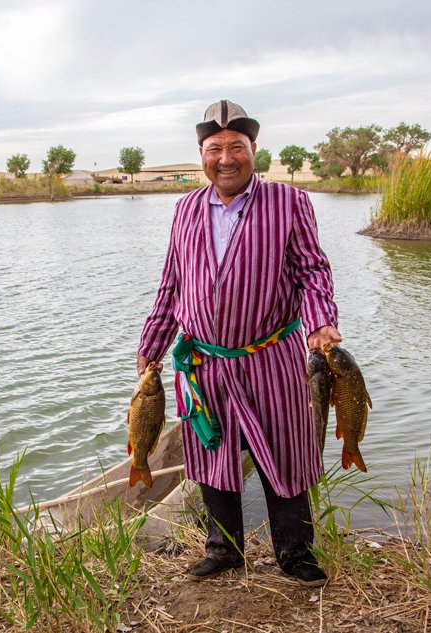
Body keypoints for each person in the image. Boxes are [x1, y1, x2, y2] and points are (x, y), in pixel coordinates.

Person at [137, 100, 341, 586]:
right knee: (212, 454)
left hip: (271, 356)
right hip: (204, 363)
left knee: (284, 453)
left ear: (253, 150)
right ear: (201, 155)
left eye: (236, 147)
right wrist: (153, 343)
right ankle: (223, 551)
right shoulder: (185, 208)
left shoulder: (290, 203)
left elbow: (312, 271)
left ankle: (294, 554)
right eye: (214, 149)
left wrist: (320, 322)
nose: (225, 158)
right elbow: (172, 284)